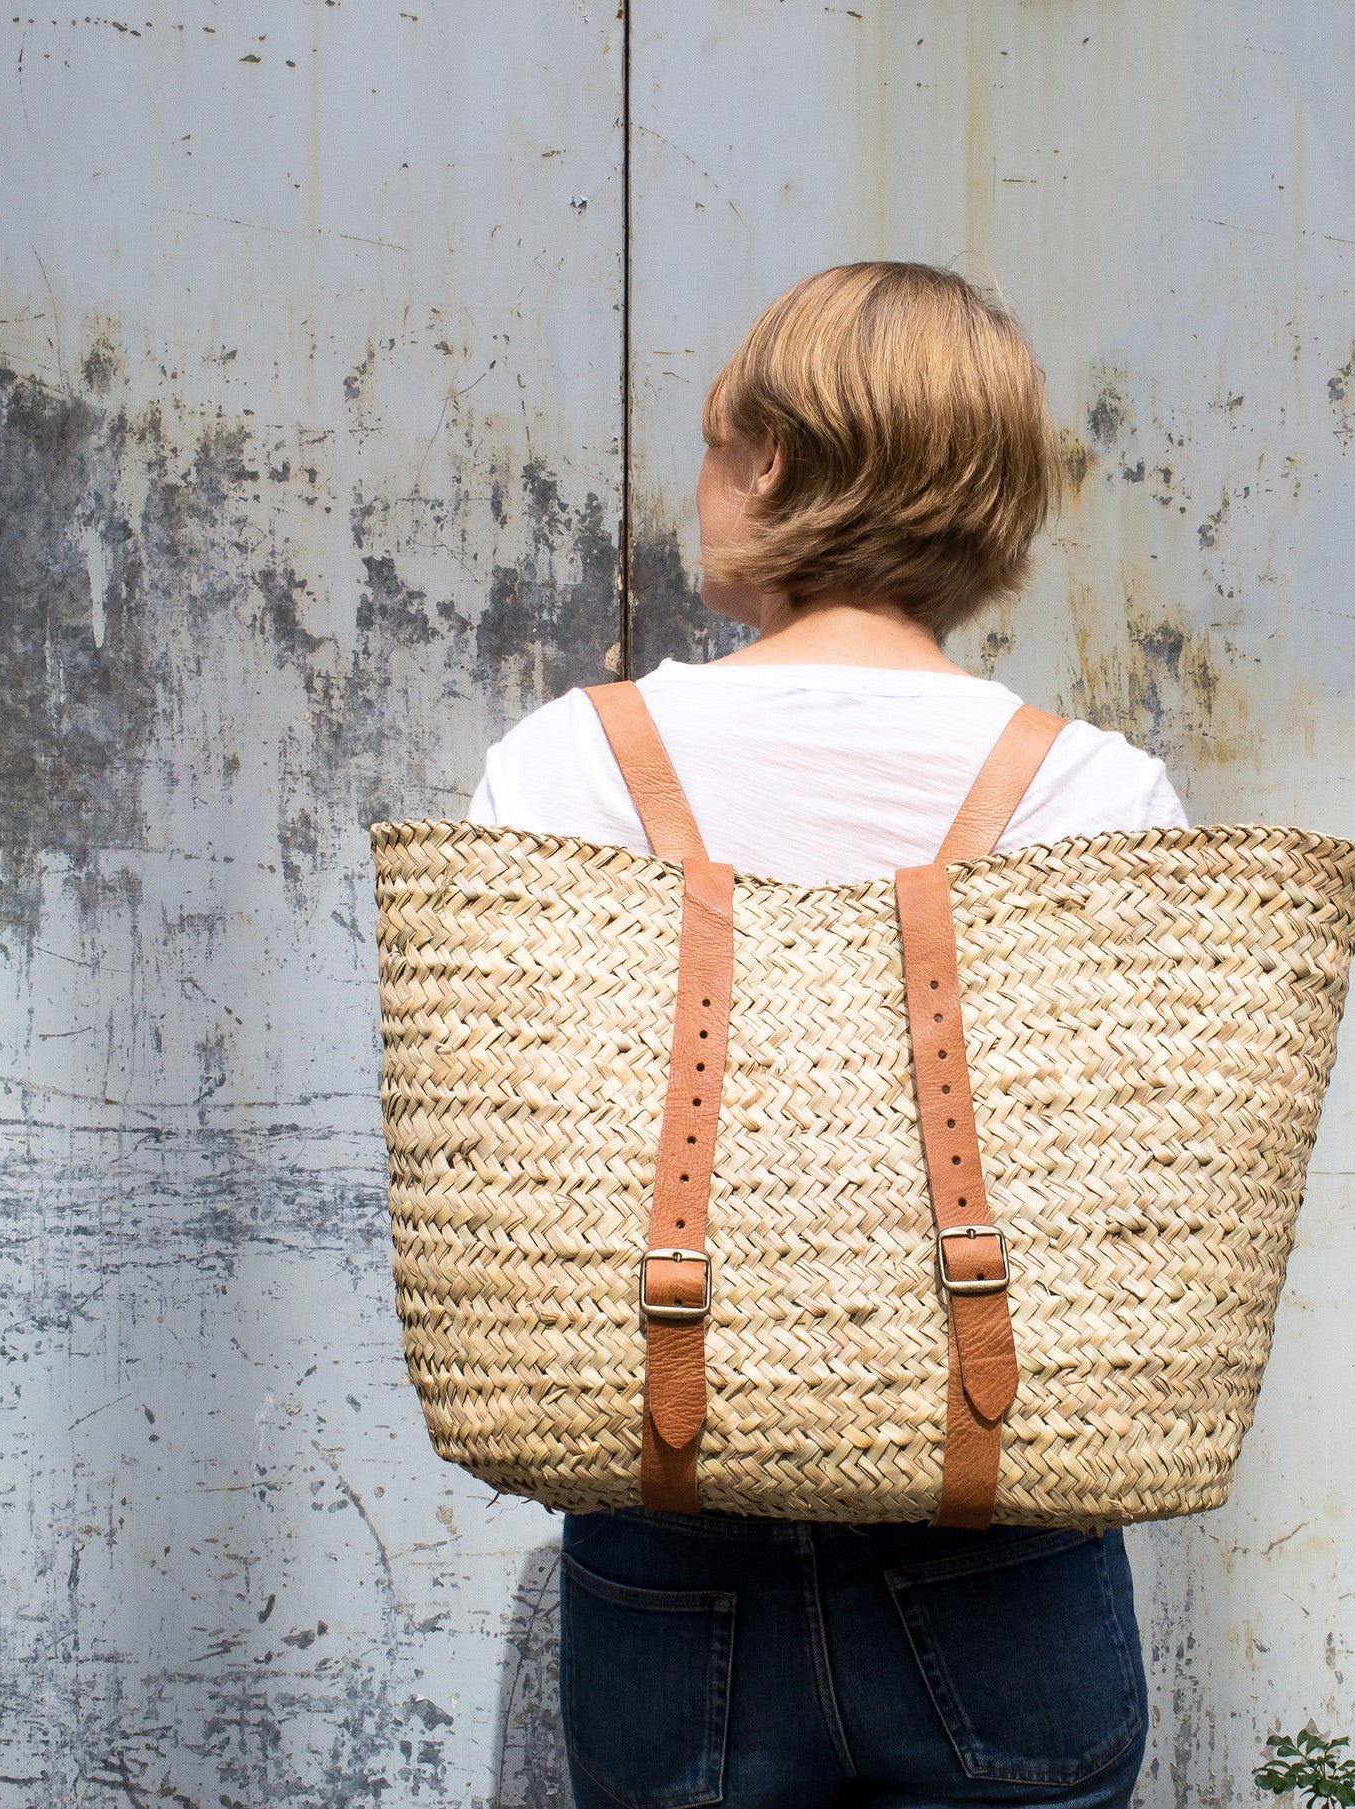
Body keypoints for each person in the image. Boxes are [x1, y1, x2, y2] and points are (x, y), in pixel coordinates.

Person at [468, 262, 1187, 1809]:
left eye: (718, 440)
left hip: (668, 1536)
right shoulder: (1098, 795)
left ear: (776, 458)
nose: (706, 479)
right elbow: (1130, 1217)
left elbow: (522, 1155)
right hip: (1004, 1538)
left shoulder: (567, 770)